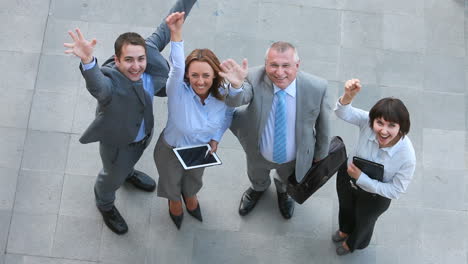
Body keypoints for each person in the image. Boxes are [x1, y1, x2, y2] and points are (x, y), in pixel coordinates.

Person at [63, 0, 197, 235]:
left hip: (142, 134)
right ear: (117, 60)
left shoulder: (149, 54)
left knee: (128, 164)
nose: (136, 66)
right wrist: (87, 62)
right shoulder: (110, 84)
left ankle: (128, 173)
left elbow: (166, 26)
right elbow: (98, 87)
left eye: (140, 59)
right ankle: (104, 203)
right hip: (118, 145)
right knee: (110, 176)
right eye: (128, 60)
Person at [219, 42, 331, 219]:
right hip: (258, 150)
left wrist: (321, 154)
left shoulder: (317, 87)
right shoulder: (253, 77)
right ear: (266, 65)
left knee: (287, 178)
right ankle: (258, 188)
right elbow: (237, 100)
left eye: (286, 65)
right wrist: (235, 87)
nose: (279, 73)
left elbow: (323, 124)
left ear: (297, 65)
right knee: (256, 174)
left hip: (293, 156)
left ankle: (284, 192)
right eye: (274, 65)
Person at [153, 12, 234, 229]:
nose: (200, 81)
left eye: (206, 75)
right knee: (171, 180)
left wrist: (216, 137)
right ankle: (174, 200)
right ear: (187, 75)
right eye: (194, 75)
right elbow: (177, 66)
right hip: (171, 148)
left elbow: (227, 116)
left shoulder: (222, 95)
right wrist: (176, 33)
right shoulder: (177, 90)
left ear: (215, 75)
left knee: (194, 179)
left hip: (201, 149)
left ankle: (190, 196)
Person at [332, 78, 416, 255]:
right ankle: (345, 230)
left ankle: (353, 244)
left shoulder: (407, 156)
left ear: (402, 128)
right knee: (345, 206)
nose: (383, 130)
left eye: (391, 125)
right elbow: (343, 113)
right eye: (380, 123)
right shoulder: (368, 122)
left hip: (375, 196)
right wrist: (347, 96)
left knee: (365, 220)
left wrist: (362, 179)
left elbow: (395, 190)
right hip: (348, 177)